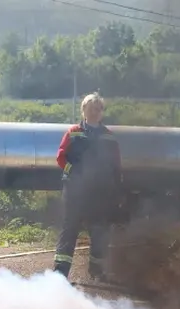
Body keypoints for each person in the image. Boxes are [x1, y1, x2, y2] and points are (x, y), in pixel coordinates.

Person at [52, 92, 124, 281]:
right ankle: (60, 276)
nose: (94, 112)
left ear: (102, 113)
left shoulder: (109, 137)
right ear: (83, 110)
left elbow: (116, 166)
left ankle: (97, 271)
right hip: (75, 191)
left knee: (100, 231)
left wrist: (116, 190)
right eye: (91, 108)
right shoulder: (73, 132)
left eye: (98, 109)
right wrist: (74, 172)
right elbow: (60, 157)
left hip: (100, 192)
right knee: (69, 230)